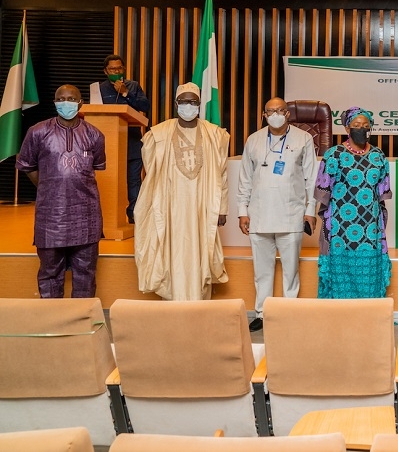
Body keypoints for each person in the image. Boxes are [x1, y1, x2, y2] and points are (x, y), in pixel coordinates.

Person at [134, 82, 230, 300]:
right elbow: (150, 175)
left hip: (202, 205)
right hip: (170, 205)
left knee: (200, 251)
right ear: (176, 103)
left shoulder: (216, 135)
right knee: (171, 250)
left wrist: (221, 208)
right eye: (184, 101)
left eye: (193, 102)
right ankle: (174, 298)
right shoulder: (158, 134)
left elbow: (222, 174)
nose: (189, 106)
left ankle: (198, 300)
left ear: (199, 105)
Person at [16, 85, 106, 298]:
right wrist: (49, 186)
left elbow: (95, 168)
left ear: (80, 102)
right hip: (51, 217)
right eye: (61, 99)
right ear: (55, 102)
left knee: (85, 274)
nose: (66, 102)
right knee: (49, 273)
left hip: (86, 217)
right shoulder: (37, 132)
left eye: (71, 98)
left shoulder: (95, 135)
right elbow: (27, 165)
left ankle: (81, 322)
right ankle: (52, 323)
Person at [237, 97, 318, 331]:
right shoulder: (253, 140)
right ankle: (262, 313)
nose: (275, 114)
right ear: (264, 115)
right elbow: (245, 179)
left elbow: (311, 179)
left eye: (280, 110)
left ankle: (289, 311)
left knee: (290, 270)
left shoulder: (303, 139)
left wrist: (309, 211)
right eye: (270, 111)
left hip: (291, 213)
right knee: (262, 270)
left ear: (288, 114)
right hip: (259, 214)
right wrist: (243, 211)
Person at [314, 106, 393, 299]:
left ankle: (371, 320)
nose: (362, 129)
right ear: (347, 128)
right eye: (357, 125)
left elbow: (382, 195)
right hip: (341, 229)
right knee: (341, 276)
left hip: (370, 229)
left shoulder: (379, 156)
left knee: (370, 276)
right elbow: (323, 192)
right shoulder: (334, 154)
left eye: (366, 125)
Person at [89, 54, 150, 223]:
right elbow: (94, 114)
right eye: (112, 69)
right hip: (107, 145)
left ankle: (134, 214)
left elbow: (145, 106)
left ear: (123, 69)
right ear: (105, 71)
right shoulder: (99, 89)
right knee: (107, 180)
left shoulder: (133, 86)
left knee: (134, 180)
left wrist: (125, 93)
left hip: (131, 141)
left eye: (119, 68)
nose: (116, 71)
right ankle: (105, 216)